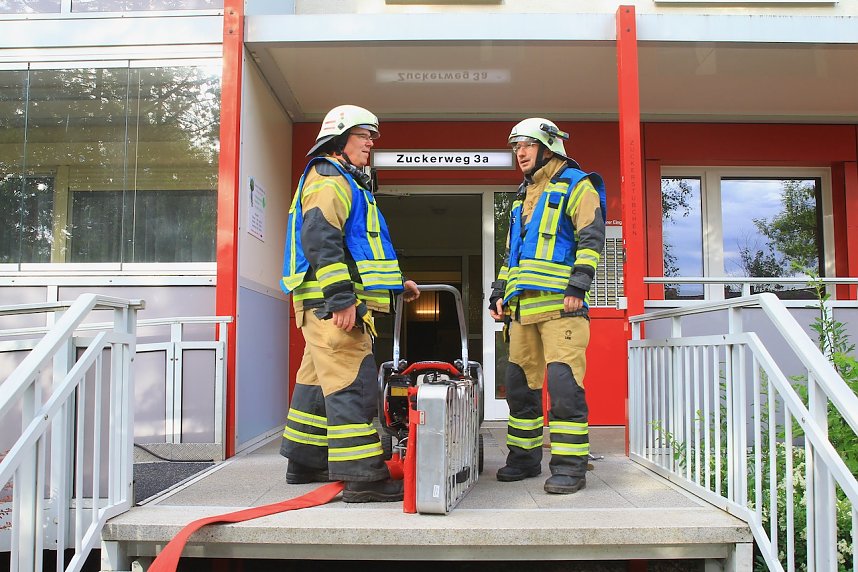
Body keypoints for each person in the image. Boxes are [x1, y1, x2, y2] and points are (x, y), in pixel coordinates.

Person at [278, 104, 420, 503]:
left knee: (315, 384)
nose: (371, 143)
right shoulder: (330, 179)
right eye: (364, 136)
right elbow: (321, 240)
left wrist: (396, 284)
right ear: (340, 139)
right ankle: (363, 479)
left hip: (322, 305)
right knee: (351, 384)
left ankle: (304, 461)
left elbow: (359, 249)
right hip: (334, 306)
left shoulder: (346, 181)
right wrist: (341, 299)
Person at [489, 118, 606, 495]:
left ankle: (571, 468)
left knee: (564, 387)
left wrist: (579, 284)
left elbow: (591, 238)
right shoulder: (523, 195)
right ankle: (524, 460)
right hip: (522, 310)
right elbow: (514, 256)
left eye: (525, 145)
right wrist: (498, 292)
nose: (519, 153)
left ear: (548, 147)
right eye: (515, 147)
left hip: (562, 308)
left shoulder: (577, 185)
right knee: (520, 388)